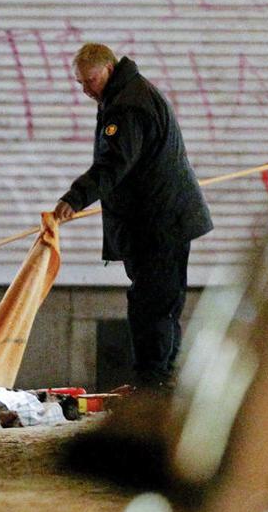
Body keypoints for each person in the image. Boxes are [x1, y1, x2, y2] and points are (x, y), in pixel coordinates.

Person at [52, 43, 213, 391]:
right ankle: (158, 383)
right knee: (161, 304)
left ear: (108, 69)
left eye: (90, 81)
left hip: (159, 222)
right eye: (80, 83)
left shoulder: (128, 106)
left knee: (151, 306)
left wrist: (76, 197)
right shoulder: (127, 95)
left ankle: (152, 387)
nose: (86, 90)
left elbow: (114, 163)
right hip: (162, 220)